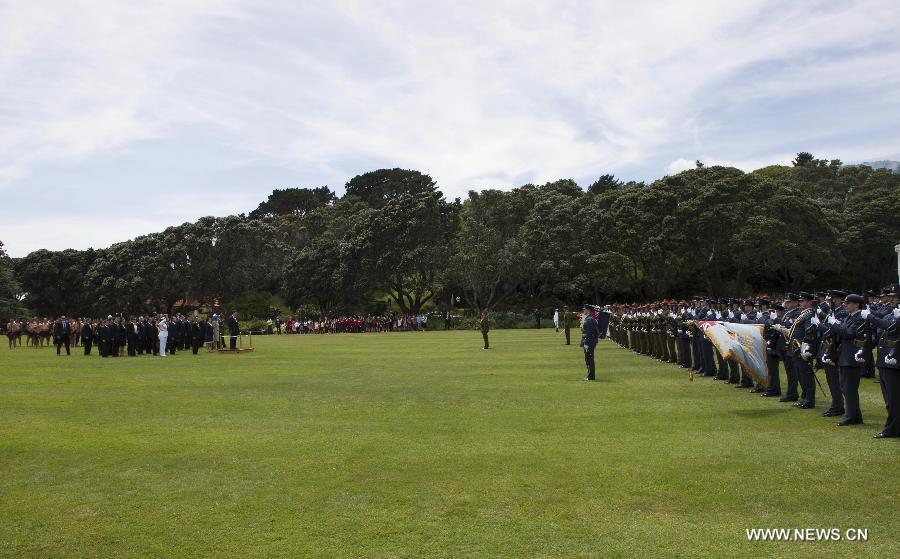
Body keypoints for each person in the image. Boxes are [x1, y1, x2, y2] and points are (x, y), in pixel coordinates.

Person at [827, 294, 867, 426]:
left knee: (849, 388)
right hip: (845, 355)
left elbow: (849, 333)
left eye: (848, 303)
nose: (845, 305)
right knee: (846, 387)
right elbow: (843, 330)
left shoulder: (859, 317)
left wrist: (834, 325)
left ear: (857, 304)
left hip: (851, 356)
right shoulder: (850, 317)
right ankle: (855, 415)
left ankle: (850, 415)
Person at [865, 285, 899, 438]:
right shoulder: (892, 313)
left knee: (893, 399)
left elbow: (889, 326)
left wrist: (869, 316)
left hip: (894, 361)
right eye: (890, 297)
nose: (890, 300)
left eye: (894, 298)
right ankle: (895, 427)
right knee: (888, 398)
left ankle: (891, 430)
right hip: (885, 360)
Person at [581, 305, 599, 381]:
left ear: (588, 310)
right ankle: (590, 375)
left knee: (589, 359)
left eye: (584, 309)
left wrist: (586, 343)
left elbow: (589, 333)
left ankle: (591, 377)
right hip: (589, 341)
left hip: (589, 342)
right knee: (588, 359)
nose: (583, 310)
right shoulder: (589, 318)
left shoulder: (589, 319)